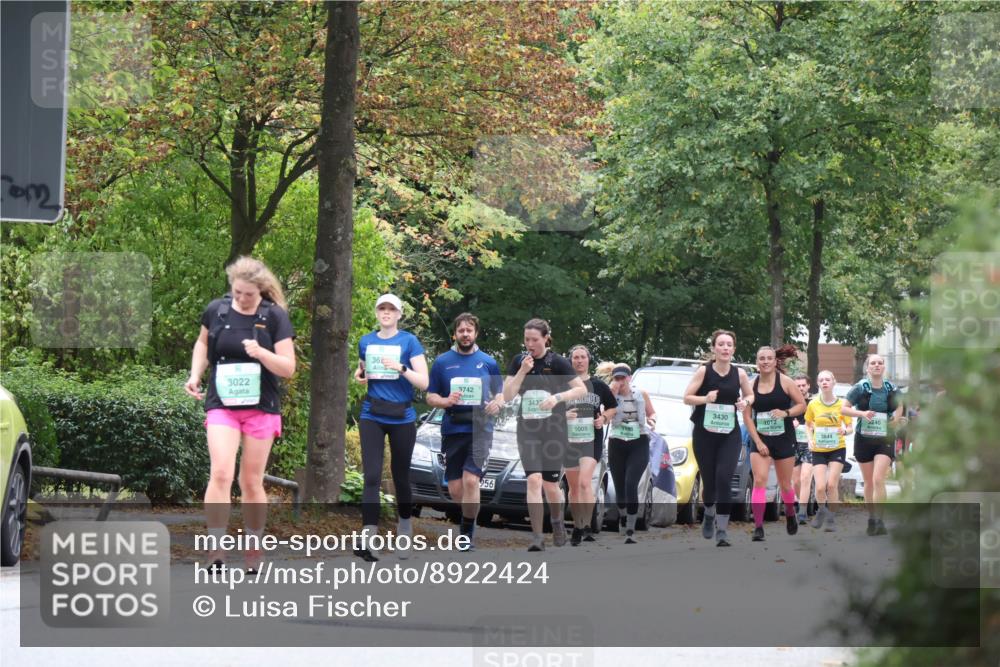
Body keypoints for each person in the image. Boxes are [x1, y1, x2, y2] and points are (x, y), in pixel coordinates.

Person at [184, 256, 296, 573]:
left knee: (250, 481)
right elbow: (202, 345)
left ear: (260, 290)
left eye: (248, 294)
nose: (242, 299)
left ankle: (253, 546)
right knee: (220, 473)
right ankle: (216, 550)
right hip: (223, 403)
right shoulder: (216, 311)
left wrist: (261, 352)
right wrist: (195, 375)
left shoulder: (274, 317)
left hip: (261, 406)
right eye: (237, 293)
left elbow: (288, 368)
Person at [352, 293, 429, 561]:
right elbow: (363, 369)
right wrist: (359, 374)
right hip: (372, 413)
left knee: (400, 476)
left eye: (391, 309)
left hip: (402, 417)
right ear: (377, 313)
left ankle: (404, 529)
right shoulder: (366, 341)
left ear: (399, 314)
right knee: (371, 476)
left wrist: (401, 368)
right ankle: (368, 540)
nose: (386, 312)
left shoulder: (409, 341)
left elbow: (424, 382)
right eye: (382, 308)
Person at [503, 319, 587, 551]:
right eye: (526, 339)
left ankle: (557, 522)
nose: (530, 344)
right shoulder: (519, 361)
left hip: (553, 429)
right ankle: (537, 537)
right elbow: (508, 395)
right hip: (527, 428)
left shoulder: (558, 362)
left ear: (546, 338)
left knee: (551, 485)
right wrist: (522, 371)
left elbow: (581, 388)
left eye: (535, 340)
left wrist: (557, 398)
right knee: (533, 479)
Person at [425, 313, 504, 551]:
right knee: (455, 488)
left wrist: (497, 403)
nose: (465, 334)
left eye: (469, 330)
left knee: (471, 480)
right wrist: (446, 401)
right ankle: (466, 517)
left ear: (476, 333)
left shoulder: (488, 362)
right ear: (455, 334)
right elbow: (430, 396)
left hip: (480, 429)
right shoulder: (441, 362)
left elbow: (500, 393)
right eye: (461, 330)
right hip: (453, 429)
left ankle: (467, 533)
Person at [683, 329, 755, 547]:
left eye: (729, 345)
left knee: (725, 478)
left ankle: (722, 530)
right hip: (705, 434)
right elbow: (687, 398)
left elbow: (751, 395)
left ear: (733, 349)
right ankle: (709, 513)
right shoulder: (704, 372)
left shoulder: (740, 374)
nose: (725, 348)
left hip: (729, 434)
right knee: (710, 481)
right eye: (721, 344)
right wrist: (705, 398)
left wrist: (746, 402)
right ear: (714, 348)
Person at [742, 346, 807, 542]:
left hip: (784, 438)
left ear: (774, 361)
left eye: (769, 358)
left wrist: (785, 413)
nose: (765, 361)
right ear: (757, 362)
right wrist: (758, 441)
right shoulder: (750, 386)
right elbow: (747, 417)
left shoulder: (785, 382)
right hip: (761, 439)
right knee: (760, 480)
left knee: (785, 485)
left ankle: (789, 513)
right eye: (761, 358)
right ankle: (759, 526)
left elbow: (801, 405)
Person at [842, 354, 904, 536]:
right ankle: (871, 518)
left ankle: (880, 520)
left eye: (880, 363)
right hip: (864, 438)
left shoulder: (891, 388)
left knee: (878, 479)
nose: (877, 365)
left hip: (884, 438)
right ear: (867, 368)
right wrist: (862, 414)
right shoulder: (860, 387)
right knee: (868, 481)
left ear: (884, 367)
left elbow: (901, 404)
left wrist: (897, 417)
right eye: (873, 363)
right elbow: (843, 408)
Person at [565, 345, 617, 545]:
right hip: (568, 441)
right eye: (575, 357)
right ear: (571, 361)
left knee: (585, 482)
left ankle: (584, 526)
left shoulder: (598, 386)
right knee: (574, 488)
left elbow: (613, 407)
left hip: (591, 440)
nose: (579, 361)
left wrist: (603, 418)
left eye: (582, 357)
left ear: (588, 360)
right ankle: (578, 524)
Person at [607, 364, 657, 544]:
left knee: (630, 483)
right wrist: (612, 392)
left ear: (629, 378)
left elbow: (652, 412)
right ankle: (622, 515)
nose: (620, 382)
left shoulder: (641, 394)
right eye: (617, 378)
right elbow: (605, 412)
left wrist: (652, 419)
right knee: (619, 486)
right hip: (617, 442)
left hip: (639, 441)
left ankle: (630, 528)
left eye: (623, 378)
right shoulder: (611, 394)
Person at [804, 370, 853, 532]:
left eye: (827, 380)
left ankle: (831, 517)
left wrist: (845, 431)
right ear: (818, 384)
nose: (824, 382)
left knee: (831, 485)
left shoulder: (842, 404)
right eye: (821, 380)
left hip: (837, 447)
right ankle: (821, 511)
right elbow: (809, 424)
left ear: (833, 383)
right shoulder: (813, 404)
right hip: (819, 449)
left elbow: (850, 427)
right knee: (819, 487)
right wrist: (810, 438)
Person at [791, 374, 814, 524]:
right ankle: (800, 502)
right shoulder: (789, 401)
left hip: (809, 444)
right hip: (793, 444)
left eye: (803, 385)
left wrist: (810, 427)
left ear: (808, 386)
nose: (800, 388)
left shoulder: (814, 402)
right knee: (796, 481)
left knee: (806, 477)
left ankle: (802, 511)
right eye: (797, 386)